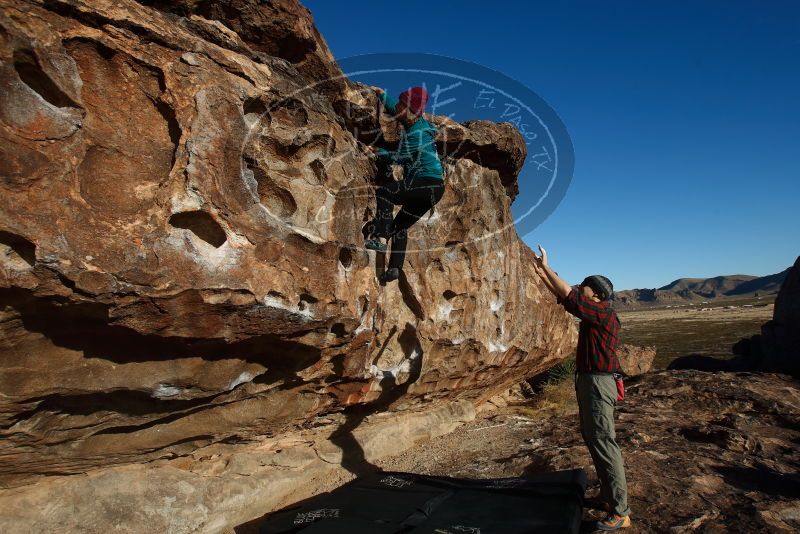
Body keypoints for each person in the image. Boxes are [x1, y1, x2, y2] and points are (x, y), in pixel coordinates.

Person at [532, 245, 631, 532]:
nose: (581, 287)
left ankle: (621, 511)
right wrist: (541, 271)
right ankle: (608, 496)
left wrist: (547, 267)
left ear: (597, 294)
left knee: (603, 441)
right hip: (591, 381)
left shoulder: (603, 313)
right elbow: (566, 297)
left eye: (586, 286)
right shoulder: (595, 313)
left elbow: (569, 295)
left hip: (599, 383)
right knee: (593, 438)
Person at [364, 86, 444, 283]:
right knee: (400, 226)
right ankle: (394, 269)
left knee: (385, 193)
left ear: (408, 110)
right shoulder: (417, 122)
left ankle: (380, 238)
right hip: (435, 189)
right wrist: (382, 94)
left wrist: (376, 151)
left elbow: (399, 157)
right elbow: (394, 108)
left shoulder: (417, 134)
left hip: (427, 183)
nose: (397, 108)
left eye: (401, 105)